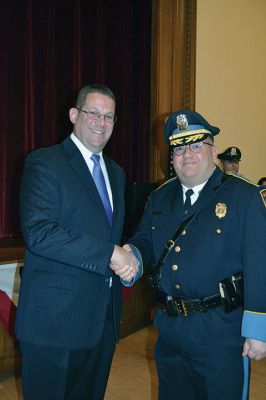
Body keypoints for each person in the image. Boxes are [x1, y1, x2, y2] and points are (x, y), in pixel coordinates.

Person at [120, 110, 266, 400]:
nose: (188, 153)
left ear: (213, 151)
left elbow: (260, 263)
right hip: (171, 330)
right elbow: (145, 242)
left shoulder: (244, 196)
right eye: (179, 147)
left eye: (196, 144)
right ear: (172, 157)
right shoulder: (160, 197)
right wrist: (131, 257)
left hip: (222, 334)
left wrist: (258, 328)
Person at [15, 84, 139, 400]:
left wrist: (127, 255)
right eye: (93, 113)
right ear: (74, 115)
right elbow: (40, 233)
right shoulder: (45, 162)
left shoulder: (117, 174)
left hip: (101, 323)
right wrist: (110, 254)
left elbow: (110, 234)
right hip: (53, 323)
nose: (101, 122)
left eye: (109, 117)